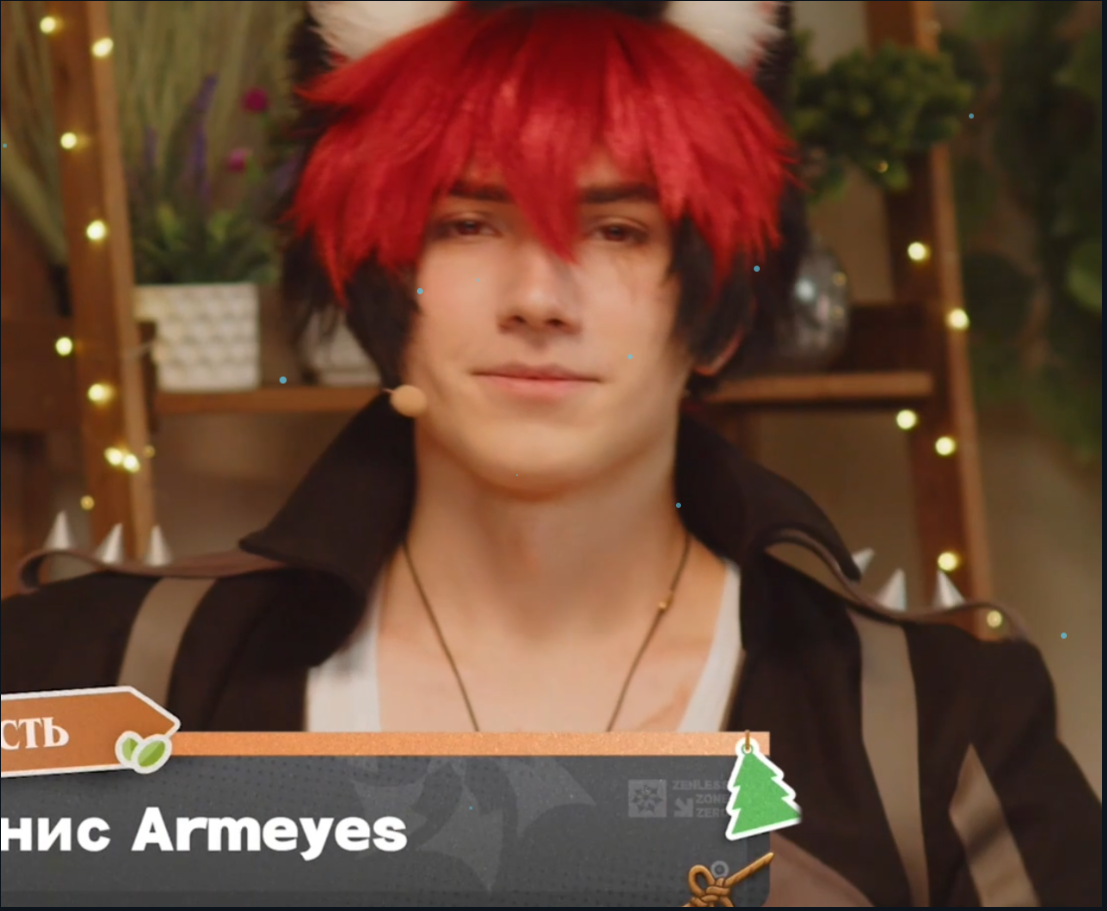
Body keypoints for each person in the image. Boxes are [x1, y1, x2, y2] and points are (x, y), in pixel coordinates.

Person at [1, 1, 1100, 905]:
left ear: (717, 314)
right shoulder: (96, 675)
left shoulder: (937, 724)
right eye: (468, 223)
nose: (537, 297)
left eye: (617, 231)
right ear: (378, 279)